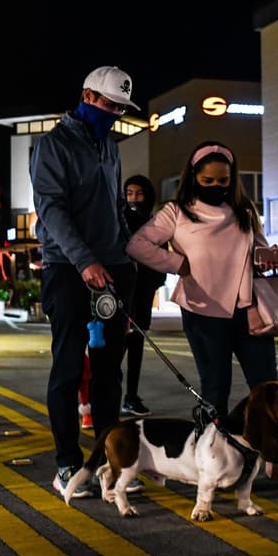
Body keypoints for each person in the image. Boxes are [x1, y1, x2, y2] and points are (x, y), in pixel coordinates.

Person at [127, 140, 278, 489]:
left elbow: (258, 245)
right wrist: (176, 263)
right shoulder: (176, 212)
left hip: (249, 310)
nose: (217, 187)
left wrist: (268, 254)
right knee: (215, 392)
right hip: (203, 312)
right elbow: (138, 244)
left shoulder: (244, 209)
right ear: (194, 176)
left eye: (224, 181)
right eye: (209, 180)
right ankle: (210, 465)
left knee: (269, 391)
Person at [31, 65, 139, 499]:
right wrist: (84, 260)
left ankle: (108, 460)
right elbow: (51, 209)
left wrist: (128, 252)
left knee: (110, 371)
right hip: (68, 269)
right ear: (87, 96)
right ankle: (67, 463)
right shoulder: (52, 145)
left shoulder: (109, 147)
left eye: (120, 108)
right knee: (70, 365)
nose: (113, 113)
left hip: (113, 268)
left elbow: (114, 207)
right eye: (109, 104)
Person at [120, 174, 167, 416]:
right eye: (129, 193)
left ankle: (131, 396)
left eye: (138, 194)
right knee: (117, 346)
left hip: (144, 293)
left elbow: (162, 256)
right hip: (122, 294)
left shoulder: (154, 223)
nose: (133, 199)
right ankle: (107, 394)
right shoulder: (120, 221)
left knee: (137, 345)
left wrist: (155, 282)